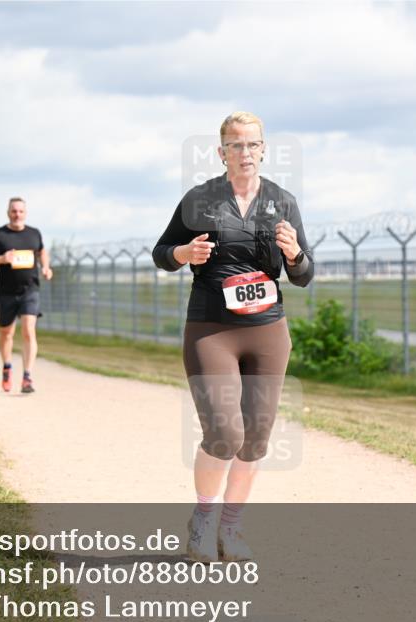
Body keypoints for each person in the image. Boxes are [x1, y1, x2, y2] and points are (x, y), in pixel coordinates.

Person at [152, 112, 314, 563]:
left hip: (267, 331)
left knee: (256, 437)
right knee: (224, 432)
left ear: (264, 149)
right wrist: (184, 252)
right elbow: (162, 253)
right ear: (221, 152)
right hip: (212, 329)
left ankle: (231, 527)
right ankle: (203, 520)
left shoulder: (282, 202)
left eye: (252, 144)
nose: (245, 153)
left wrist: (294, 254)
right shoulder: (199, 200)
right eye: (236, 145)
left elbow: (304, 274)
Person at [0, 197, 52, 393]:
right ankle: (7, 366)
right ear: (8, 213)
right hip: (6, 292)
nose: (17, 214)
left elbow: (42, 251)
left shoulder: (34, 233)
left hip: (30, 290)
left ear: (25, 213)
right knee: (6, 333)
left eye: (20, 211)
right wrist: (1, 259)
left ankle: (27, 376)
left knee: (28, 330)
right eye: (13, 211)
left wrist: (46, 267)